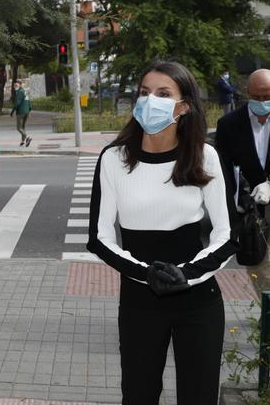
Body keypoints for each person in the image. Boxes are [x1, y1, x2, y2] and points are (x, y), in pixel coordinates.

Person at [87, 60, 238, 405]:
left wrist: (185, 274)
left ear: (183, 106)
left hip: (198, 301)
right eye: (144, 92)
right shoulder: (114, 159)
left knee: (198, 397)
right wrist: (145, 273)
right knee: (138, 396)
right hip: (140, 302)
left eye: (163, 93)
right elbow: (99, 238)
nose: (150, 100)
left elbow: (227, 236)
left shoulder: (204, 156)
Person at [215, 69, 270, 207]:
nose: (262, 102)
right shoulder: (228, 124)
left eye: (267, 97)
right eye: (256, 97)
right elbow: (223, 168)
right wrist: (236, 199)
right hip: (245, 207)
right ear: (248, 92)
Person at [10, 80, 32, 147]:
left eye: (16, 85)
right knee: (23, 127)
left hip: (21, 112)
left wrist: (12, 112)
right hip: (26, 112)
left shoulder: (19, 92)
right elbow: (28, 102)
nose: (15, 87)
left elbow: (17, 103)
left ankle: (27, 137)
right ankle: (23, 141)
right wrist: (29, 110)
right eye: (14, 85)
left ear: (20, 85)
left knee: (19, 128)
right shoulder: (24, 91)